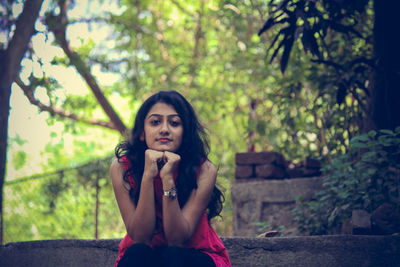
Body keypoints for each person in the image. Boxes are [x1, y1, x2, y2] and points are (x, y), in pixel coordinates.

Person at [110, 90, 231, 267]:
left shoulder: (204, 170)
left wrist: (167, 177)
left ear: (185, 132)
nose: (165, 129)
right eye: (155, 122)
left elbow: (177, 239)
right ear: (142, 132)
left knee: (174, 255)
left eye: (174, 123)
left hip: (194, 255)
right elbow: (140, 237)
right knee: (137, 252)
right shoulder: (121, 168)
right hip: (145, 257)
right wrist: (148, 176)